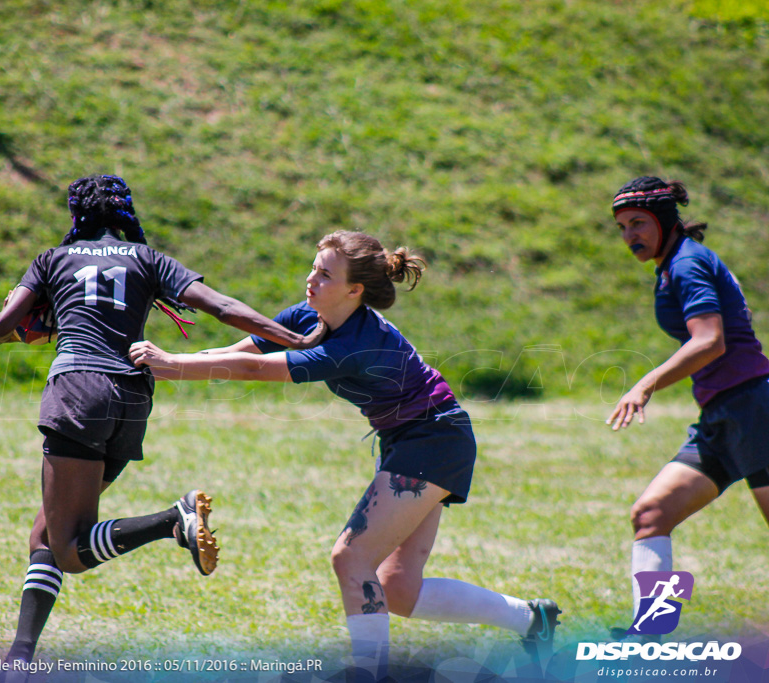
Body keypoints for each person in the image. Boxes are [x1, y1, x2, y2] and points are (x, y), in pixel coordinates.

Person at [129, 230, 560, 682]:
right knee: (398, 590)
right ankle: (532, 619)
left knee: (350, 559)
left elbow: (254, 369)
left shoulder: (354, 345)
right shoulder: (308, 315)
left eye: (325, 274)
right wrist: (170, 361)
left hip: (433, 440)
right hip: (415, 439)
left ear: (355, 290)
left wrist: (173, 362)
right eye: (314, 267)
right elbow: (239, 352)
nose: (311, 279)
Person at [0, 174, 326, 669]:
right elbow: (222, 307)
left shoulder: (51, 260)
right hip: (131, 393)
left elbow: (1, 328)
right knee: (47, 533)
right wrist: (292, 338)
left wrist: (39, 325)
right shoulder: (146, 258)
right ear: (124, 214)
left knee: (68, 551)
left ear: (76, 215)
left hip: (77, 390)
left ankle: (172, 520)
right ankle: (20, 656)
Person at [607, 176, 769, 636]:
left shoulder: (686, 265)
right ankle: (654, 628)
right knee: (652, 514)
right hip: (723, 416)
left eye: (638, 223)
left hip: (754, 410)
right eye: (622, 227)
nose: (629, 236)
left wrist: (645, 385)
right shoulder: (679, 262)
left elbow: (710, 341)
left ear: (663, 219)